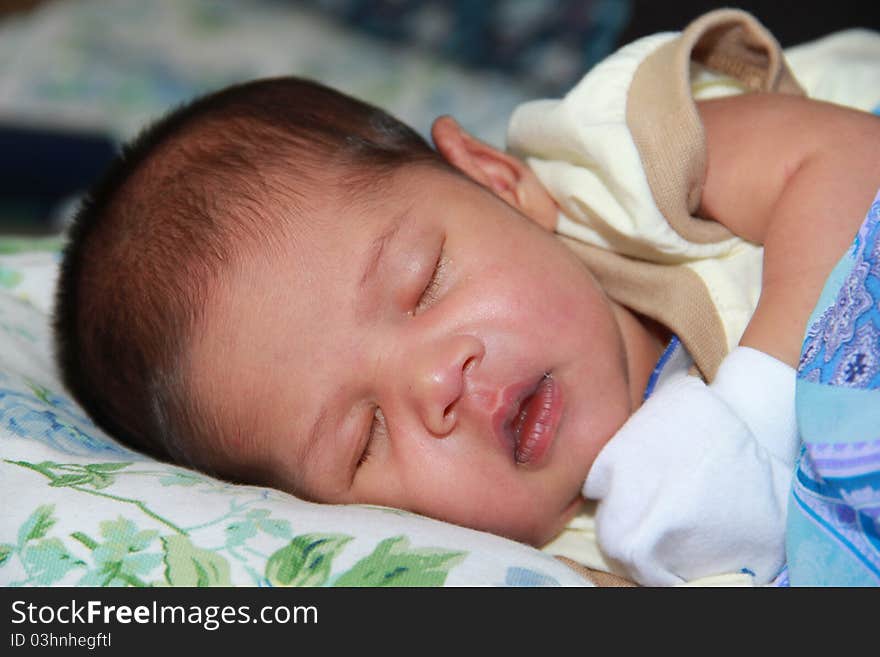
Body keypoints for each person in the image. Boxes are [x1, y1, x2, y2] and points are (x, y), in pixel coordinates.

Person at [53, 9, 880, 585]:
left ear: (497, 181)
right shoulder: (582, 549)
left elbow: (846, 163)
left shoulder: (628, 173)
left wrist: (761, 411)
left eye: (422, 284)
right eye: (363, 436)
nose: (438, 384)